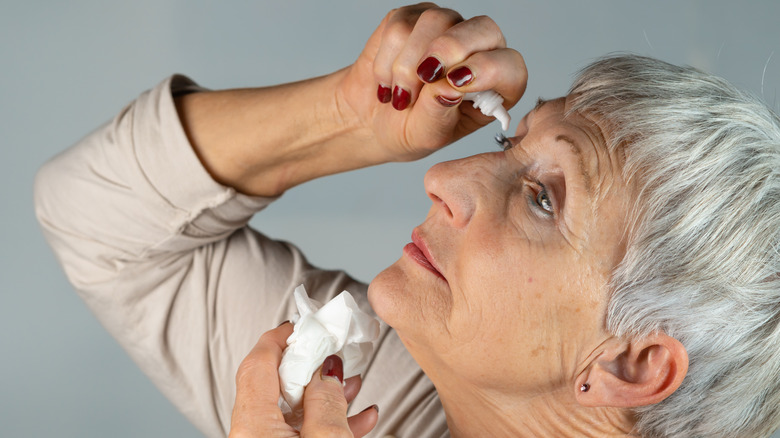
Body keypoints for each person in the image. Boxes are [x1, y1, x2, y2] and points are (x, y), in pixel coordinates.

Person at [34, 3, 780, 438]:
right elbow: (97, 217)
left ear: (632, 365)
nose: (440, 178)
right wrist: (353, 118)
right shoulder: (383, 392)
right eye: (509, 144)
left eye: (543, 198)